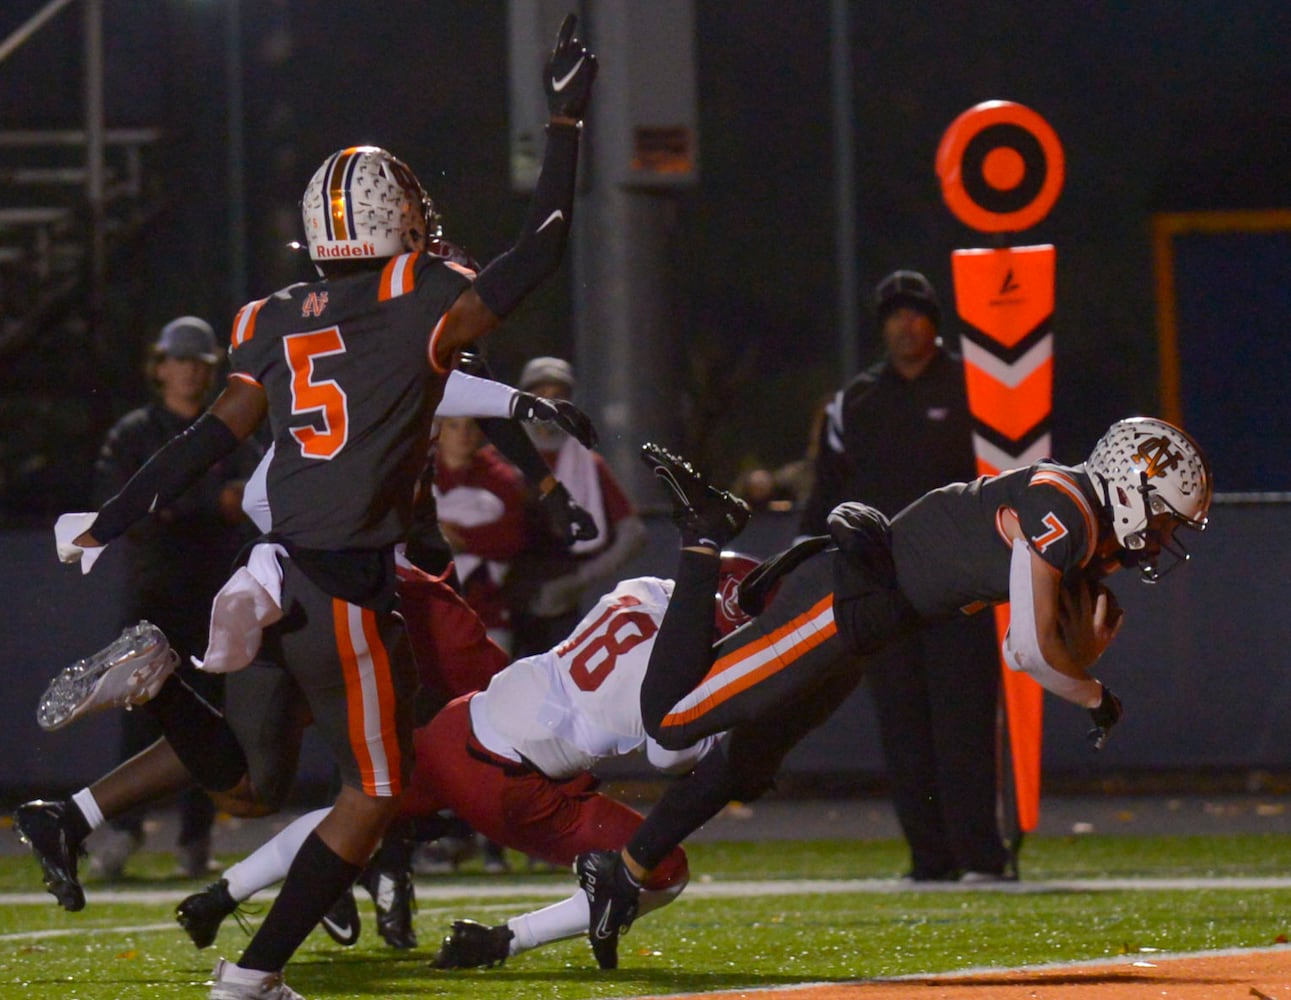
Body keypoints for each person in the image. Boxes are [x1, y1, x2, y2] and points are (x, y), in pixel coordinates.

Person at [19, 16, 598, 1000]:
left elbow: (207, 437)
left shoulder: (270, 315)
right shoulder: (420, 294)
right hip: (345, 584)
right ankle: (248, 977)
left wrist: (108, 518)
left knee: (244, 784)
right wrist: (566, 118)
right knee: (371, 794)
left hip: (269, 570)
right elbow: (543, 243)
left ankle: (165, 683)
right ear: (394, 223)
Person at [572, 419, 1212, 968]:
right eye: (1161, 520)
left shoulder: (1082, 526)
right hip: (840, 604)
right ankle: (703, 536)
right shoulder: (1064, 505)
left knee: (748, 761)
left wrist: (1081, 657)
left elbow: (1034, 638)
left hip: (865, 629)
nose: (1159, 539)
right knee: (673, 721)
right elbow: (1026, 651)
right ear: (1131, 487)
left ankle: (623, 873)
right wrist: (1092, 689)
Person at [172, 549, 762, 970]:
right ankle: (501, 941)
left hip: (466, 719)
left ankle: (220, 897)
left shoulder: (639, 592)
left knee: (358, 813)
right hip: (512, 783)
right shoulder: (684, 673)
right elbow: (672, 753)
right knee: (661, 867)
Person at [798, 269, 1010, 882]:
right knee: (904, 728)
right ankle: (929, 859)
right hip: (885, 591)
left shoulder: (977, 387)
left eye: (915, 311)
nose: (904, 323)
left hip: (964, 586)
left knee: (965, 724)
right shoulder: (856, 400)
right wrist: (808, 564)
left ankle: (982, 856)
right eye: (893, 313)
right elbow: (828, 496)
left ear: (934, 321)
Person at [87, 316, 263, 879]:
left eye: (198, 362)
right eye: (179, 361)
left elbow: (253, 498)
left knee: (210, 716)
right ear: (159, 366)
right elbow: (123, 505)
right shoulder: (136, 431)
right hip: (155, 591)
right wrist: (210, 501)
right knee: (140, 709)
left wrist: (181, 501)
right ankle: (121, 830)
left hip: (215, 595)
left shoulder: (232, 425)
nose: (189, 371)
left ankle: (195, 835)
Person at [506, 356, 647, 659]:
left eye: (558, 394)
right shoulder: (499, 460)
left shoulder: (587, 463)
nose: (548, 403)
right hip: (501, 600)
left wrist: (580, 579)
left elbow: (632, 533)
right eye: (540, 393)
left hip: (563, 598)